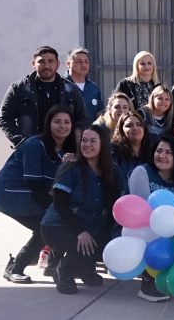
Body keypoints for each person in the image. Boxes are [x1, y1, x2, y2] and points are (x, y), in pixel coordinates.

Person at [0, 106, 76, 284]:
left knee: (51, 224)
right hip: (11, 193)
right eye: (57, 121)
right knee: (48, 226)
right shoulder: (35, 145)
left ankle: (50, 264)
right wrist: (54, 209)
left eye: (67, 122)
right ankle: (16, 268)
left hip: (31, 193)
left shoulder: (64, 149)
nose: (62, 126)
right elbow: (35, 184)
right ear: (48, 123)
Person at [40, 124, 121, 294]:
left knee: (103, 241)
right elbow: (60, 205)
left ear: (103, 145)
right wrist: (80, 231)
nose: (87, 145)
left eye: (93, 141)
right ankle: (63, 270)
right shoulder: (71, 167)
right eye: (84, 140)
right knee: (83, 244)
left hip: (90, 225)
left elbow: (114, 203)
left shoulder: (112, 170)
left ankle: (85, 269)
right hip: (58, 226)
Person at [0, 45, 88, 147]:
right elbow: (5, 118)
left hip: (62, 150)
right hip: (30, 150)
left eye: (50, 61)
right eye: (41, 61)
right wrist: (20, 140)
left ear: (57, 64)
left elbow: (82, 119)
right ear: (33, 64)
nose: (46, 66)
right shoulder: (18, 88)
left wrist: (73, 143)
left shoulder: (71, 89)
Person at [126, 134, 174, 202]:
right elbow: (142, 207)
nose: (161, 156)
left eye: (168, 152)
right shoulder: (142, 173)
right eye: (158, 151)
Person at [64, 47, 102, 121]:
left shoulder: (93, 88)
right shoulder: (60, 85)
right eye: (79, 62)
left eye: (86, 61)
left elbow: (99, 115)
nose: (83, 65)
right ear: (68, 64)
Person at [115, 50, 158, 114]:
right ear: (136, 66)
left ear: (153, 66)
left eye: (149, 63)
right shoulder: (125, 84)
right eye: (142, 64)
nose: (146, 66)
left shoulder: (158, 87)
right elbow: (114, 104)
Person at [111, 111, 152, 179]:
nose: (135, 128)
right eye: (129, 125)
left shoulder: (152, 152)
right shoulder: (114, 152)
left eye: (139, 124)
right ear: (121, 130)